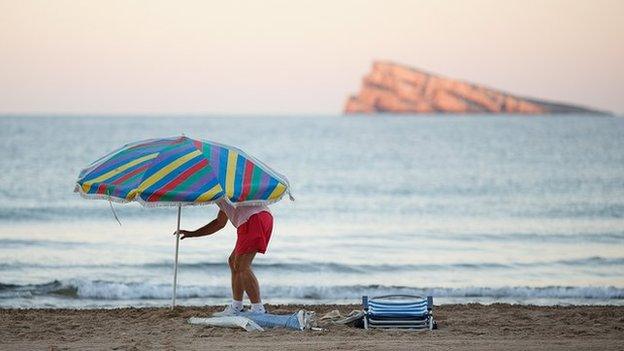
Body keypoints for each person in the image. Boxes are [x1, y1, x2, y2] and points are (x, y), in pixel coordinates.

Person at [177, 198, 273, 315]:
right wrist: (192, 234)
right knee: (233, 261)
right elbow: (219, 223)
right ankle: (237, 306)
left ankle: (258, 309)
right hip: (262, 217)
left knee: (242, 266)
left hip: (253, 219)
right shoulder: (223, 193)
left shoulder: (221, 190)